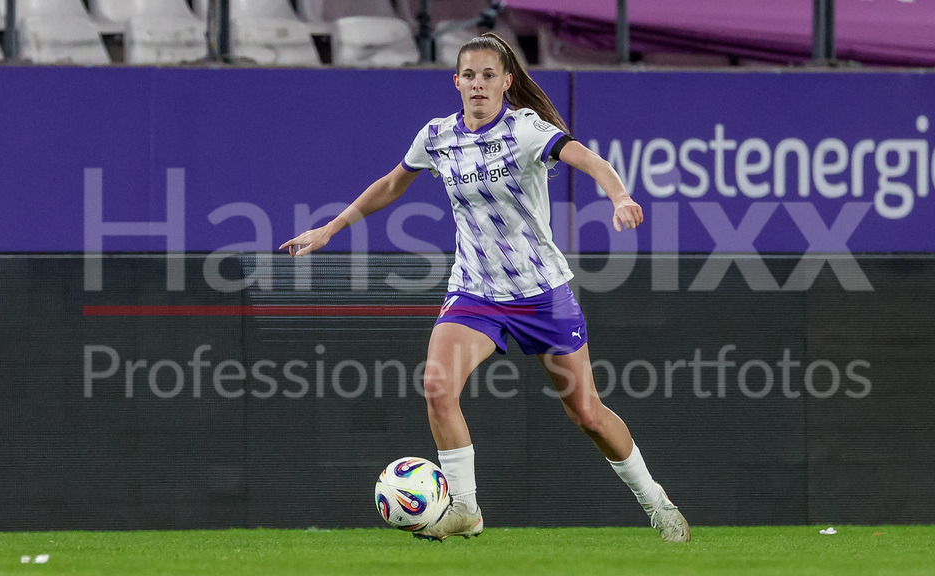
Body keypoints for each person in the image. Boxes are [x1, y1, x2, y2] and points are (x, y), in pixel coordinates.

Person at [280, 32, 690, 544]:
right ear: (456, 82)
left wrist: (620, 197)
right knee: (438, 388)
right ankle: (466, 509)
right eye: (469, 75)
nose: (478, 84)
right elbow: (390, 184)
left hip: (541, 293)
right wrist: (330, 228)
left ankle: (656, 502)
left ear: (506, 82)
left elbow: (589, 160)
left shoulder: (526, 130)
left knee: (587, 413)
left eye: (488, 75)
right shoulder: (436, 136)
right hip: (475, 293)